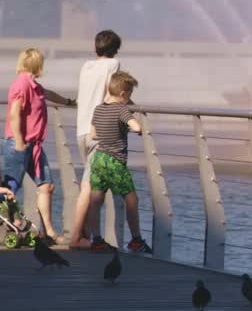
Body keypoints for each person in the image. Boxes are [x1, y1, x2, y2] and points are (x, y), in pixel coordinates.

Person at [4, 48, 75, 243]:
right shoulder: (21, 84)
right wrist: (19, 140)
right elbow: (14, 114)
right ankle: (12, 225)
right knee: (10, 188)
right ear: (36, 64)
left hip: (34, 146)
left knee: (47, 186)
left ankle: (49, 232)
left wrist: (69, 102)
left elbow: (48, 94)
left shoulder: (34, 86)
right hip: (18, 143)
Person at [84, 71, 150, 253]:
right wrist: (138, 126)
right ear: (123, 94)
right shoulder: (121, 109)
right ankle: (136, 240)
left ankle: (96, 239)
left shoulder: (99, 108)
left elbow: (94, 134)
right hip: (115, 161)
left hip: (99, 158)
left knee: (96, 200)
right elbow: (136, 126)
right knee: (131, 199)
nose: (129, 99)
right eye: (129, 95)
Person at [69, 30, 123, 249]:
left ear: (95, 47)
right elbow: (114, 92)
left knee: (88, 182)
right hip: (98, 131)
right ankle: (78, 238)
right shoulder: (113, 65)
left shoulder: (86, 66)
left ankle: (86, 234)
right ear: (116, 49)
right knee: (88, 187)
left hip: (82, 130)